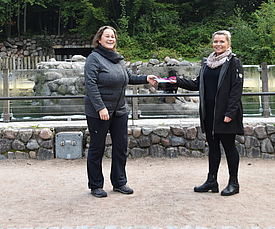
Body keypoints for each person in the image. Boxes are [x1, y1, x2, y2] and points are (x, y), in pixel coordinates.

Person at [84, 26, 158, 198]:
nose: (111, 39)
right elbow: (91, 85)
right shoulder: (93, 59)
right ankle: (95, 185)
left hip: (119, 111)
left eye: (113, 36)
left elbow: (128, 78)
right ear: (99, 39)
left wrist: (145, 78)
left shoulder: (118, 59)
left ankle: (119, 182)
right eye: (107, 36)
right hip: (99, 112)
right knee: (97, 148)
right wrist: (100, 107)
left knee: (120, 147)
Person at [173, 30, 244, 196]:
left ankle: (234, 183)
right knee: (213, 147)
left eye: (222, 42)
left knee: (229, 147)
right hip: (210, 113)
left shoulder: (233, 62)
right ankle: (212, 181)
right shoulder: (207, 63)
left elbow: (236, 90)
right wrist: (175, 81)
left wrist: (230, 113)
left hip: (226, 114)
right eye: (215, 41)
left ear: (228, 44)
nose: (218, 44)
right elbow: (197, 84)